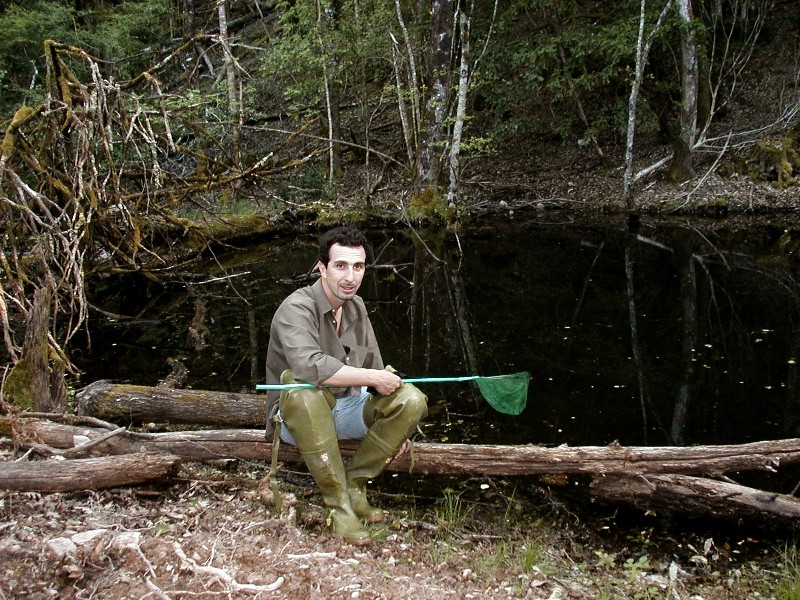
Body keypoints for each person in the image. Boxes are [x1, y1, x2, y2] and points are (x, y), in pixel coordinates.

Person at [264, 226, 428, 546]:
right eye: (340, 266)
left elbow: (376, 371)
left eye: (358, 266)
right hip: (295, 418)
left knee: (411, 400)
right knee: (304, 394)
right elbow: (310, 367)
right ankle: (338, 507)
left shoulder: (357, 307)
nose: (350, 276)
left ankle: (355, 485)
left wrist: (398, 424)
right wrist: (372, 378)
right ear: (322, 267)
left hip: (343, 409)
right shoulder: (296, 308)